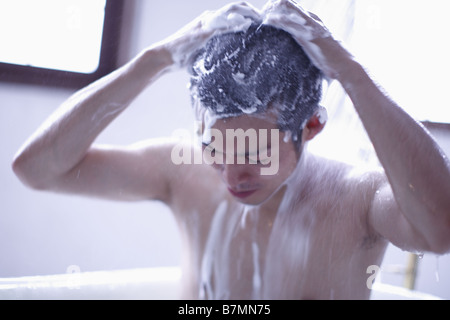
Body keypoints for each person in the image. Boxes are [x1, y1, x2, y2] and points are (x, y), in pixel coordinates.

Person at [12, 0, 450, 300]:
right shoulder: (179, 171)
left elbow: (440, 229)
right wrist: (155, 59)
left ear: (312, 125)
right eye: (215, 150)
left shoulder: (358, 197)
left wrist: (352, 74)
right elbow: (36, 170)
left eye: (257, 152)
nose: (231, 177)